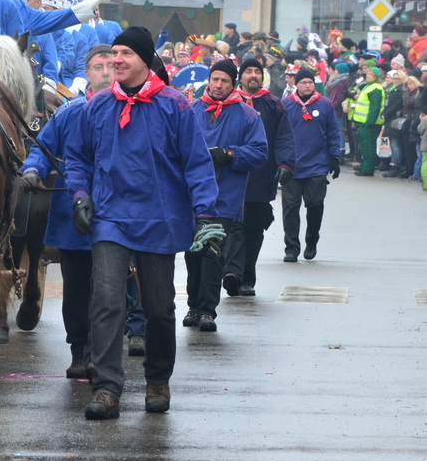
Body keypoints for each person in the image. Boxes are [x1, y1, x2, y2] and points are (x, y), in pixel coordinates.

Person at [64, 26, 221, 420]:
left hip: (159, 218)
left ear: (144, 60)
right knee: (107, 303)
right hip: (110, 218)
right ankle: (106, 389)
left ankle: (157, 381)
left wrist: (206, 215)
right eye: (114, 53)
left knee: (160, 308)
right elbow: (78, 157)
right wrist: (80, 195)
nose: (116, 59)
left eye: (125, 54)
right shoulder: (97, 107)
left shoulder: (174, 106)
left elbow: (197, 163)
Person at [21, 44, 115, 379]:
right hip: (74, 219)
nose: (105, 72)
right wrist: (32, 170)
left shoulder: (133, 109)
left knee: (110, 292)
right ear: (87, 74)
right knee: (76, 290)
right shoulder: (69, 113)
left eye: (111, 66)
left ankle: (104, 353)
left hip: (118, 218)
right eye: (97, 66)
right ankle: (79, 351)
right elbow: (42, 149)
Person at [184, 60, 267, 332]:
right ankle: (193, 305)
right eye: (215, 80)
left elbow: (259, 152)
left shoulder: (247, 115)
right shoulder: (191, 110)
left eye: (225, 81)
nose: (218, 85)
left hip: (226, 196)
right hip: (192, 195)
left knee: (213, 253)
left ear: (234, 85)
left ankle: (208, 310)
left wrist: (229, 154)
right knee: (193, 254)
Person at [236, 57, 295, 295]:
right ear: (240, 77)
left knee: (253, 230)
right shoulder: (230, 102)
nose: (253, 75)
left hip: (260, 179)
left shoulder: (273, 104)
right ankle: (231, 272)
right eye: (248, 71)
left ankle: (246, 278)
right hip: (231, 178)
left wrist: (285, 163)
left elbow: (284, 136)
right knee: (231, 230)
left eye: (256, 71)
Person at [282, 68, 342, 262]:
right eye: (303, 82)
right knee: (290, 208)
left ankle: (311, 240)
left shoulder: (325, 104)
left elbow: (334, 131)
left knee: (315, 205)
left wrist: (334, 157)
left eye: (310, 82)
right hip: (291, 166)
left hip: (317, 165)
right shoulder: (286, 104)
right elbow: (279, 135)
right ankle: (291, 247)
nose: (307, 85)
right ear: (296, 85)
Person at [350, 64, 385, 176]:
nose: (368, 76)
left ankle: (368, 169)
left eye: (371, 74)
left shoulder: (376, 88)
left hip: (369, 123)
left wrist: (370, 122)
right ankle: (365, 165)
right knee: (365, 145)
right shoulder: (369, 86)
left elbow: (374, 107)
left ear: (376, 77)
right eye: (368, 73)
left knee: (369, 145)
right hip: (363, 121)